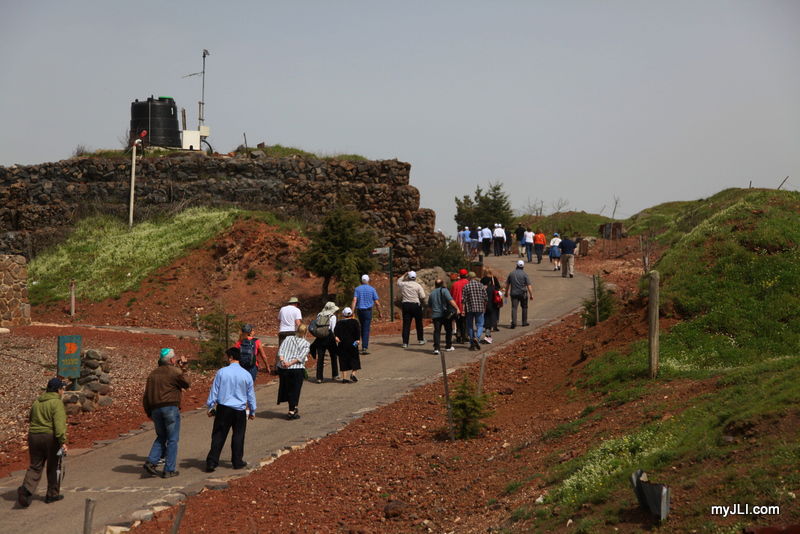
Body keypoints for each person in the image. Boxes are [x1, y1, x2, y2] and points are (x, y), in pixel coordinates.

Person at [17, 378, 68, 507]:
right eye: (62, 389)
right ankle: (52, 494)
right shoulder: (57, 403)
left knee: (35, 465)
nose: (63, 391)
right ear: (58, 390)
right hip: (50, 437)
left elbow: (30, 418)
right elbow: (59, 425)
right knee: (54, 465)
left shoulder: (37, 402)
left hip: (34, 436)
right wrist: (62, 442)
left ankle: (26, 490)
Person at [205, 347, 256, 473]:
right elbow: (250, 395)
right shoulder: (246, 374)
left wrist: (210, 406)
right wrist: (252, 410)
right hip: (239, 409)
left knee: (219, 435)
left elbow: (214, 390)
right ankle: (237, 461)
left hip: (224, 408)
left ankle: (212, 461)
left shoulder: (222, 372)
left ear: (231, 357)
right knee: (238, 435)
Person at [142, 348, 190, 478]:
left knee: (161, 436)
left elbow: (146, 396)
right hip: (170, 407)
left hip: (155, 409)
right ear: (172, 360)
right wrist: (184, 368)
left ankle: (151, 461)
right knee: (172, 439)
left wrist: (149, 412)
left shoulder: (152, 374)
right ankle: (169, 469)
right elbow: (186, 383)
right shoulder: (174, 371)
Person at [277, 323, 311, 419]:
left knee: (287, 388)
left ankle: (294, 407)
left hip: (283, 368)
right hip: (296, 368)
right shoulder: (306, 344)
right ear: (305, 332)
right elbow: (300, 357)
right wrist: (290, 363)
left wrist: (283, 361)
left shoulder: (288, 338)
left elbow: (281, 351)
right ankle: (291, 411)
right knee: (295, 389)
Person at [352, 274, 382, 355]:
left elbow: (354, 300)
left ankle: (356, 345)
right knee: (366, 328)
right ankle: (364, 347)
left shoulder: (357, 289)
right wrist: (380, 312)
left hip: (360, 311)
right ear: (368, 280)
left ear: (361, 281)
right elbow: (377, 303)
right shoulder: (372, 289)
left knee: (361, 327)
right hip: (368, 311)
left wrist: (352, 311)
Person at [310, 301, 339, 383]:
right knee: (333, 356)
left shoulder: (319, 314)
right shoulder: (332, 316)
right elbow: (333, 329)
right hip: (329, 337)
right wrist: (335, 337)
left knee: (320, 357)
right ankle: (335, 375)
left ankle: (319, 377)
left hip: (320, 337)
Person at [397, 270, 426, 348]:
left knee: (406, 324)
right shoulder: (418, 285)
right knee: (419, 323)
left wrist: (404, 274)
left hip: (406, 305)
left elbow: (398, 281)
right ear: (415, 277)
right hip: (415, 305)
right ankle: (420, 339)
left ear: (408, 277)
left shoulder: (404, 284)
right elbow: (423, 296)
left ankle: (405, 342)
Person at [428, 279, 457, 355]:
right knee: (448, 330)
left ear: (435, 284)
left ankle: (436, 348)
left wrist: (431, 315)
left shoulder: (432, 293)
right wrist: (457, 308)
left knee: (437, 331)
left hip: (435, 315)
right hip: (444, 314)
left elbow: (429, 306)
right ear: (442, 284)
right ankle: (448, 346)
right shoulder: (444, 290)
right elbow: (450, 300)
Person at [334, 307, 362, 383]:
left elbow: (335, 333)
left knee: (343, 360)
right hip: (353, 344)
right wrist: (357, 341)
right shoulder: (355, 322)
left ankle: (344, 378)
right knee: (355, 359)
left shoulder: (339, 323)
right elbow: (358, 332)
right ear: (351, 314)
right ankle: (353, 374)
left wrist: (336, 338)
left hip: (342, 344)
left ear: (343, 314)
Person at [462, 271, 488, 350]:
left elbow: (463, 300)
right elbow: (486, 298)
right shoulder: (481, 285)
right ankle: (477, 337)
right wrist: (484, 307)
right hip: (479, 308)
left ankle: (472, 342)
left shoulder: (466, 286)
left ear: (469, 278)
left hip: (470, 308)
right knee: (480, 325)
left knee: (470, 326)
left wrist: (463, 310)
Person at [505, 260, 534, 328]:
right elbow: (529, 285)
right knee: (524, 307)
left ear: (516, 265)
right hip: (523, 293)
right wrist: (531, 295)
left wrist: (506, 293)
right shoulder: (524, 274)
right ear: (523, 266)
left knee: (514, 308)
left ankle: (514, 323)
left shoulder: (511, 274)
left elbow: (507, 285)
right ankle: (524, 322)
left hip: (514, 293)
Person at [450, 268, 470, 344]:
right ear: (466, 275)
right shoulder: (468, 283)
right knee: (465, 321)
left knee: (458, 321)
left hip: (457, 305)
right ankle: (465, 336)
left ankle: (458, 335)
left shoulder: (455, 284)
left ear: (459, 275)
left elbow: (451, 295)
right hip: (466, 306)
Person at [481, 270, 502, 342]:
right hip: (493, 304)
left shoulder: (482, 287)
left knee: (486, 320)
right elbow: (498, 288)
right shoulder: (493, 287)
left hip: (485, 305)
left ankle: (487, 334)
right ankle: (489, 334)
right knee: (491, 319)